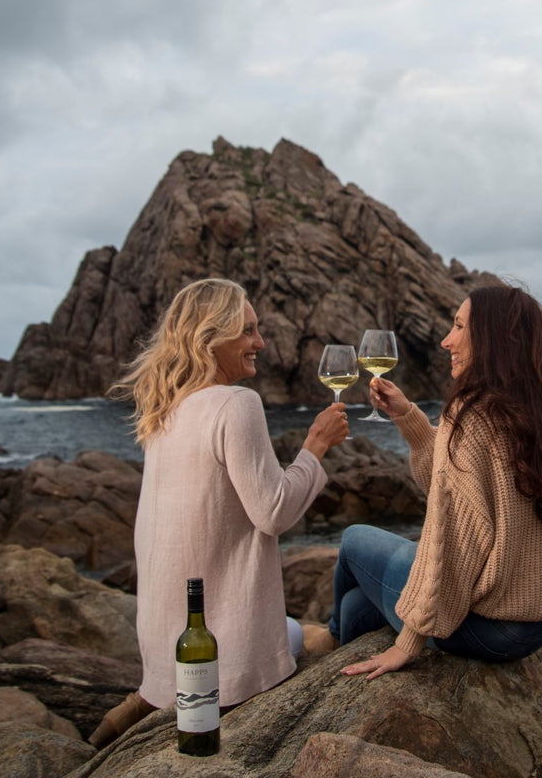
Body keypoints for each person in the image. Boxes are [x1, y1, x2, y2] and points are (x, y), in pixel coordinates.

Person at [89, 278, 348, 748]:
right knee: (319, 639)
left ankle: (143, 702)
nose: (260, 343)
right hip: (224, 660)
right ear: (210, 338)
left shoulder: (163, 408)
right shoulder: (236, 403)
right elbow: (273, 511)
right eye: (247, 331)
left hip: (164, 645)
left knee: (296, 629)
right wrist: (316, 444)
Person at [312, 283, 542, 680]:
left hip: (487, 624)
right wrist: (409, 417)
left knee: (354, 540)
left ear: (491, 338)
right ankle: (343, 638)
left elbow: (457, 538)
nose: (445, 341)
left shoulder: (472, 412)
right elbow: (453, 483)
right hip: (533, 625)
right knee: (357, 606)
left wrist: (408, 644)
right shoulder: (539, 409)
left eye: (458, 327)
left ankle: (332, 639)